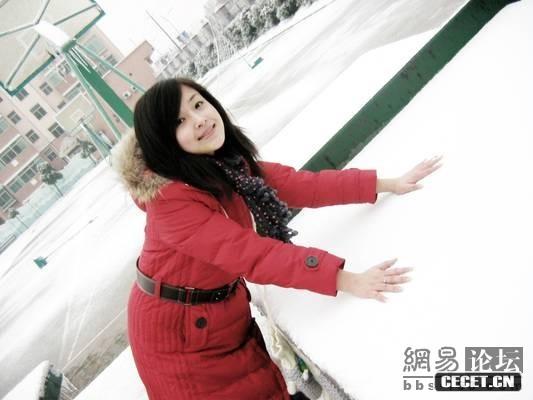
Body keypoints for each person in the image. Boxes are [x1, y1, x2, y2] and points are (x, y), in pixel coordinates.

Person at [113, 77, 442, 400]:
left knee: (264, 386)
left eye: (198, 104)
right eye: (180, 121)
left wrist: (386, 183)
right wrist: (347, 280)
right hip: (176, 337)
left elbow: (301, 185)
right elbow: (254, 255)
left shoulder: (223, 165)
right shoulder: (170, 204)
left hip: (215, 311)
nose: (199, 120)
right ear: (163, 142)